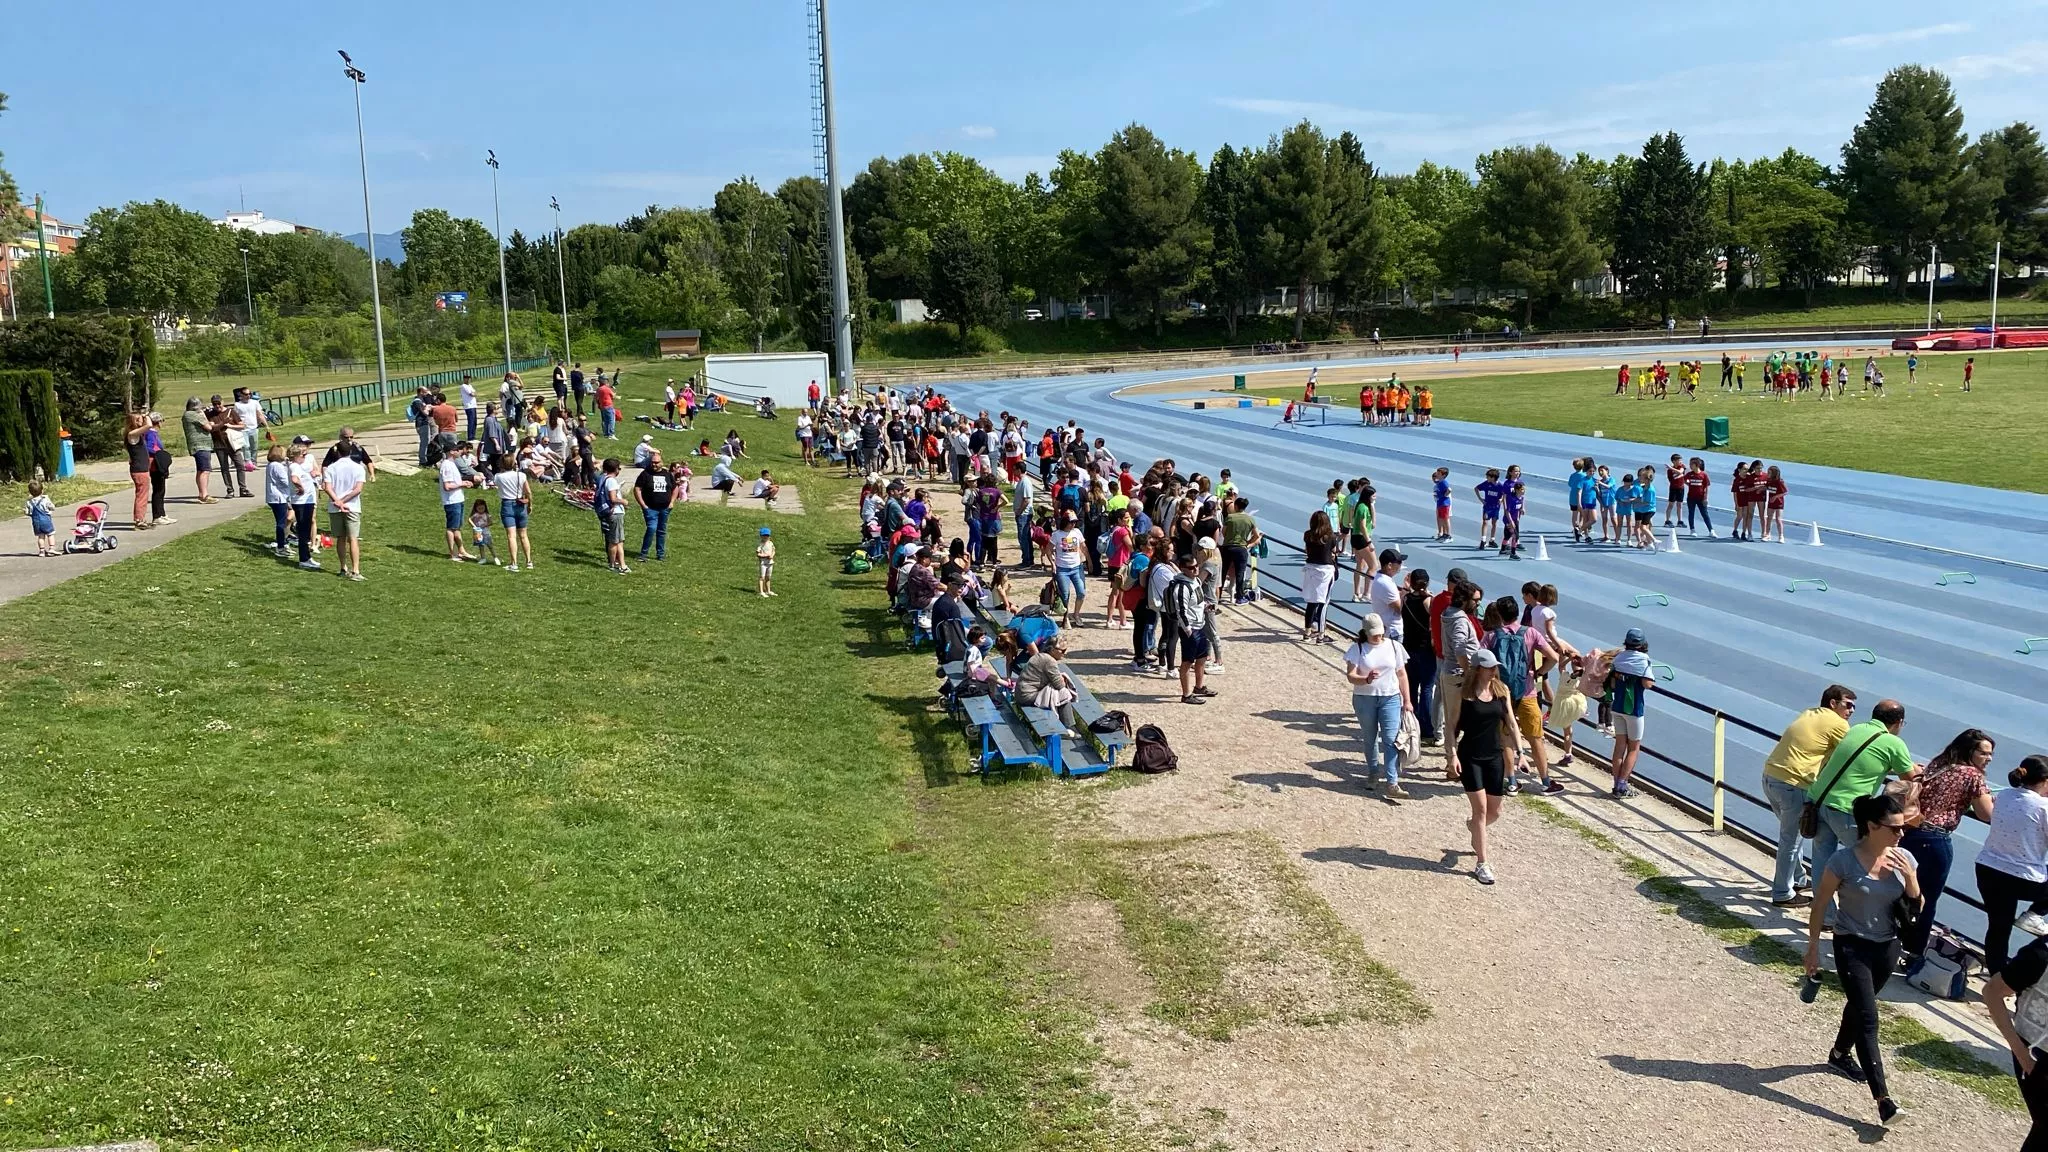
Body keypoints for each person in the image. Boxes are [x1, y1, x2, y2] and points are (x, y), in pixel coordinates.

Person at [1803, 792, 1917, 1128]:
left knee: (1859, 1005)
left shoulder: (1905, 858)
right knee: (1868, 1017)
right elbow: (1820, 904)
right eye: (1894, 829)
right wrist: (1812, 948)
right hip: (1851, 944)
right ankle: (1884, 1100)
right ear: (1871, 826)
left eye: (1903, 828)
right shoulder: (1842, 862)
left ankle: (1838, 1055)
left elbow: (1918, 906)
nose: (1901, 835)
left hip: (1888, 947)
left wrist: (1910, 879)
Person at [1902, 728, 1997, 968]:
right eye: (1984, 753)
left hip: (1910, 833)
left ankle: (1889, 941)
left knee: (1902, 892)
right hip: (1935, 840)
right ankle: (1913, 954)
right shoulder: (1972, 775)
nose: (1989, 759)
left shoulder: (1939, 764)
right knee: (1926, 900)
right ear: (1970, 751)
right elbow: (1987, 814)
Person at [1760, 685, 1856, 908]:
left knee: (1795, 833)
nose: (1851, 711)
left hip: (1771, 777)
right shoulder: (1837, 723)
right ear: (1833, 704)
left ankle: (1799, 879)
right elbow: (1857, 751)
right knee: (1791, 841)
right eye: (1848, 705)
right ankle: (1783, 893)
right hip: (1794, 785)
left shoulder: (1810, 712)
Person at [1807, 699, 1917, 872]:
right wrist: (1915, 768)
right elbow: (1910, 779)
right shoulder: (1894, 743)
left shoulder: (1857, 729)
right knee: (1870, 861)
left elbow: (1865, 763)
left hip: (1819, 800)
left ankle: (1821, 899)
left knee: (1822, 862)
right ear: (1899, 723)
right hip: (1847, 809)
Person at [1443, 649, 1524, 885]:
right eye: (1489, 667)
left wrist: (1521, 753)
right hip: (1470, 756)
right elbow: (1451, 726)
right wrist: (1452, 755)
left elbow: (1511, 722)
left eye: (1494, 667)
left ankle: (1474, 829)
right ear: (1478, 669)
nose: (1493, 670)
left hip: (1494, 756)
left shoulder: (1502, 691)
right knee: (1480, 810)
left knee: (1494, 812)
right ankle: (1482, 863)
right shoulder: (1464, 694)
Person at [1979, 757, 2048, 974]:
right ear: (2045, 780)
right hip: (2023, 879)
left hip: (1987, 869)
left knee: (1998, 928)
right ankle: (2035, 913)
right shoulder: (2044, 807)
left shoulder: (2005, 795)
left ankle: (1996, 976)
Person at [1345, 613, 1413, 798]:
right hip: (1365, 698)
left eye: (1380, 633)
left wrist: (1407, 700)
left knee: (1391, 739)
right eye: (1374, 634)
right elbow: (1351, 675)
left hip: (1390, 697)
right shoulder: (1357, 649)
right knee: (1370, 737)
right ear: (1365, 632)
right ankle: (1373, 771)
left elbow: (1401, 674)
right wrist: (1365, 679)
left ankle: (1392, 782)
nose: (1378, 637)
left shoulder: (1394, 646)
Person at [1608, 628, 1654, 797]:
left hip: (1617, 706)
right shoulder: (1644, 660)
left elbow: (1612, 682)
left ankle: (1615, 784)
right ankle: (1622, 785)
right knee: (1633, 748)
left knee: (1619, 745)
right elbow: (1648, 684)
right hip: (1634, 709)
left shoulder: (1619, 657)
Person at [1165, 553, 1213, 705]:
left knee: (1202, 657)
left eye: (1196, 566)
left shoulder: (1195, 581)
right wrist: (1188, 629)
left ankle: (1199, 687)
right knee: (1187, 661)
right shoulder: (1181, 587)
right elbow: (1181, 610)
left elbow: (1198, 601)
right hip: (1190, 628)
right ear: (1183, 569)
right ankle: (1186, 694)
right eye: (1191, 568)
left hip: (1200, 625)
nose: (1195, 569)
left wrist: (1206, 606)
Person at [322, 435, 368, 581]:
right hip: (352, 506)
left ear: (338, 452)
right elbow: (358, 489)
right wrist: (344, 501)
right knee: (353, 538)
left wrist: (337, 501)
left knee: (340, 538)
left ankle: (343, 567)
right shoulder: (358, 468)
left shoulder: (330, 468)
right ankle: (355, 570)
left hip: (334, 507)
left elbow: (327, 488)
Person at [1400, 569, 1437, 746]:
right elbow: (1436, 618)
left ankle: (1411, 726)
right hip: (1425, 649)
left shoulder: (1406, 599)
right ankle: (1427, 730)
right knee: (1427, 689)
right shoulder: (1428, 601)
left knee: (1412, 688)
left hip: (1408, 647)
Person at [1300, 510, 1338, 643]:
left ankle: (1307, 632)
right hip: (1325, 571)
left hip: (1310, 569)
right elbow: (1333, 551)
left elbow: (1307, 550)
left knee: (1311, 602)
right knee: (1323, 603)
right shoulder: (1331, 537)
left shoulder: (1308, 535)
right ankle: (1321, 635)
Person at [493, 452, 533, 572]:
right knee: (523, 535)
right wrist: (530, 505)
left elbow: (497, 485)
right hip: (520, 504)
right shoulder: (521, 475)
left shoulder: (498, 477)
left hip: (507, 504)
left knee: (511, 536)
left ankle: (514, 563)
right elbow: (528, 492)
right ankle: (529, 561)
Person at [438, 442, 477, 562]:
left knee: (457, 527)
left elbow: (455, 482)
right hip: (451, 501)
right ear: (451, 452)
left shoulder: (452, 463)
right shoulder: (446, 465)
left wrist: (464, 484)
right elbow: (447, 486)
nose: (459, 452)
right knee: (451, 527)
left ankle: (461, 551)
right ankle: (452, 553)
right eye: (456, 450)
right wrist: (462, 484)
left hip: (458, 499)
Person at [634, 450, 676, 562]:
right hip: (650, 508)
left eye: (657, 462)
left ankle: (660, 554)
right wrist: (643, 505)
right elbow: (637, 488)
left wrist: (672, 502)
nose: (654, 464)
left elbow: (675, 488)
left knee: (661, 530)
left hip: (665, 508)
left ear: (662, 462)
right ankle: (643, 554)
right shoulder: (645, 474)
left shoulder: (667, 474)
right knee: (652, 528)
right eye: (652, 462)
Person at [179, 397, 219, 505]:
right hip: (200, 445)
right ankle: (204, 495)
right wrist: (203, 415)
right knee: (205, 470)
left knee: (201, 470)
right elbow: (208, 427)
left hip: (200, 445)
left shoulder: (188, 415)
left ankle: (202, 493)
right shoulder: (192, 414)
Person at [1051, 510, 1087, 630]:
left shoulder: (1077, 532)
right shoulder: (1057, 535)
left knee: (1081, 592)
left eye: (1075, 522)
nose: (1073, 524)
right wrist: (1052, 563)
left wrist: (1089, 560)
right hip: (1062, 569)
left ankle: (1076, 614)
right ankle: (1065, 617)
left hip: (1077, 567)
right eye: (1071, 522)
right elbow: (1048, 549)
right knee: (1065, 594)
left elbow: (1083, 546)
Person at [595, 458, 630, 573]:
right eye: (619, 468)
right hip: (615, 513)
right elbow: (613, 498)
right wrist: (624, 501)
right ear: (615, 469)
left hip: (613, 513)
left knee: (619, 540)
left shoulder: (603, 478)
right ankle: (612, 564)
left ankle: (622, 564)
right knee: (614, 541)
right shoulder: (612, 481)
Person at [122, 411, 153, 530]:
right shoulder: (132, 434)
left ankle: (141, 518)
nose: (141, 421)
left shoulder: (136, 434)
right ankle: (139, 519)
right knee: (142, 495)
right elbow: (149, 426)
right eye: (138, 419)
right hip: (139, 470)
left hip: (142, 468)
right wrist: (146, 416)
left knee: (143, 494)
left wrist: (143, 417)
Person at [24, 479, 57, 556]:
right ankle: (51, 548)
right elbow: (52, 507)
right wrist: (51, 508)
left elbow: (27, 512)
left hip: (36, 522)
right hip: (46, 520)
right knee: (50, 534)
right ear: (42, 491)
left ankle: (41, 551)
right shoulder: (45, 499)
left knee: (40, 536)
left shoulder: (29, 502)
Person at [596, 374, 619, 439]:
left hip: (602, 406)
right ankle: (611, 434)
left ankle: (606, 433)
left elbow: (596, 398)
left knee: (605, 421)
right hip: (608, 406)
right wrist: (614, 393)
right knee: (611, 420)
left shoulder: (599, 389)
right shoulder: (606, 389)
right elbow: (613, 396)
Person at [757, 526, 777, 596]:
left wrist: (772, 555)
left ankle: (768, 590)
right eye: (764, 536)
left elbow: (774, 550)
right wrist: (765, 555)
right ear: (761, 536)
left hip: (770, 562)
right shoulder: (760, 544)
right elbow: (758, 554)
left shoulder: (770, 543)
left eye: (767, 536)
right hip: (763, 563)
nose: (766, 537)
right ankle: (761, 591)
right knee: (762, 577)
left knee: (768, 577)